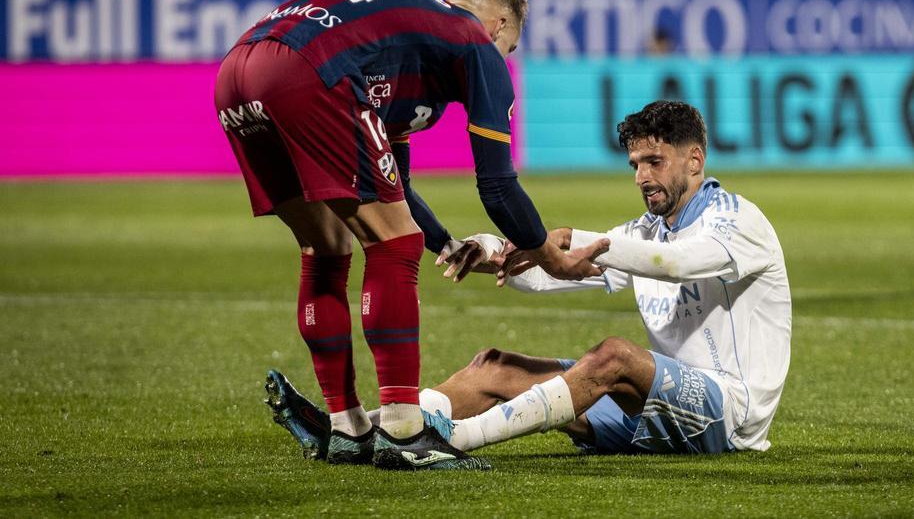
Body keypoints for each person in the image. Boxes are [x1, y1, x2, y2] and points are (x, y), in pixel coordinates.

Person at [216, 0, 605, 471]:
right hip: (307, 69)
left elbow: (396, 186)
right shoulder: (474, 41)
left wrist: (446, 244)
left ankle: (347, 427)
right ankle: (403, 429)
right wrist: (553, 258)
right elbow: (498, 187)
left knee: (327, 245)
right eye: (509, 48)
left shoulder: (407, 44)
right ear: (498, 25)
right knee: (394, 246)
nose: (503, 59)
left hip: (237, 72)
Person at [266, 100, 792, 456]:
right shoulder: (643, 232)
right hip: (652, 404)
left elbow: (679, 262)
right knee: (494, 366)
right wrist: (498, 250)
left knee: (613, 356)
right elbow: (553, 278)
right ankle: (369, 428)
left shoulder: (736, 220)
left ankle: (447, 441)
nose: (641, 177)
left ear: (695, 159)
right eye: (634, 163)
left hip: (730, 414)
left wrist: (566, 237)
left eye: (654, 162)